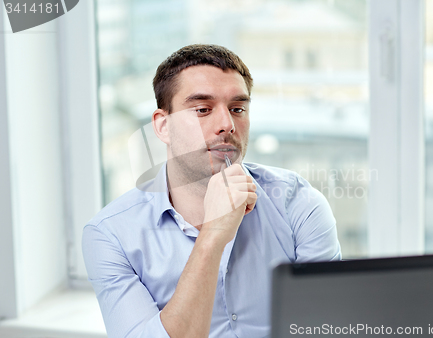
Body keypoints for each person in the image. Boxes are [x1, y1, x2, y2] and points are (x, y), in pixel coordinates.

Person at [82, 44, 341, 338]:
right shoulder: (110, 234)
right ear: (163, 126)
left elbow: (326, 327)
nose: (227, 125)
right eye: (203, 110)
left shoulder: (299, 204)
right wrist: (214, 234)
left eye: (238, 109)